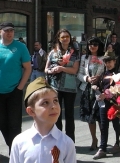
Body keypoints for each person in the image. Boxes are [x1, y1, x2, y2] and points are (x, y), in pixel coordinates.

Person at [9, 77, 76, 163]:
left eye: (55, 100)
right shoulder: (20, 142)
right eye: (45, 102)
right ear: (31, 111)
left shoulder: (67, 143)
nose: (53, 106)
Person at [0, 22, 31, 154]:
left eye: (11, 30)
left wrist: (20, 87)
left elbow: (28, 68)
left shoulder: (20, 47)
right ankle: (12, 146)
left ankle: (14, 152)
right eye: (6, 30)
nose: (9, 33)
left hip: (14, 91)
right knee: (2, 123)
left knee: (14, 124)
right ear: (0, 31)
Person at [44, 29, 79, 142]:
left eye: (67, 37)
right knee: (56, 115)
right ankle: (57, 140)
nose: (65, 39)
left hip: (70, 88)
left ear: (70, 38)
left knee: (69, 115)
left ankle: (70, 141)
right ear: (59, 39)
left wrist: (62, 68)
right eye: (63, 37)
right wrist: (52, 70)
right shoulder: (52, 52)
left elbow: (74, 70)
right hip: (55, 88)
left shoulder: (74, 53)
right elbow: (46, 69)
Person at [77, 36, 105, 151]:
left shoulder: (103, 57)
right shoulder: (85, 57)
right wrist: (87, 78)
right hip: (87, 89)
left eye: (95, 44)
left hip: (100, 89)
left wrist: (100, 78)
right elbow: (79, 74)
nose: (92, 46)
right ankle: (94, 139)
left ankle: (103, 141)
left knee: (100, 117)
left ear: (99, 46)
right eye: (90, 44)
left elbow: (108, 71)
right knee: (90, 117)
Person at [93, 51, 120, 159]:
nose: (108, 64)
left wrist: (106, 94)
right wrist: (95, 87)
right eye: (106, 62)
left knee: (116, 124)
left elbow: (118, 89)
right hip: (103, 103)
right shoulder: (103, 74)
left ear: (114, 61)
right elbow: (99, 85)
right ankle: (102, 148)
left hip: (114, 103)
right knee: (103, 125)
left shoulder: (118, 74)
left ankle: (119, 143)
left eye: (109, 61)